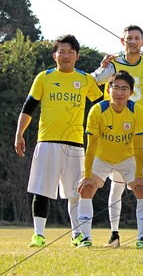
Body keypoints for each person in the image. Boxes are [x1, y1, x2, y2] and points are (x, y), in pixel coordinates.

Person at [14, 34, 102, 247]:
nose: (66, 55)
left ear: (77, 56)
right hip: (47, 142)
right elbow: (29, 107)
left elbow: (101, 106)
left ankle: (77, 235)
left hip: (75, 145)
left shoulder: (85, 79)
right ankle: (38, 235)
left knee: (76, 193)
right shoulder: (43, 77)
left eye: (70, 52)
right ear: (54, 55)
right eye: (61, 51)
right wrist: (19, 134)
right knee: (42, 190)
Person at [92, 25, 143, 247]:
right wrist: (102, 64)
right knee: (116, 183)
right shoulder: (113, 64)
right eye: (129, 38)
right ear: (121, 41)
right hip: (119, 131)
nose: (132, 42)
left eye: (136, 38)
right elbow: (94, 80)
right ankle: (114, 234)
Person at [76, 70, 143, 248]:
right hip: (102, 158)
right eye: (115, 87)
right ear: (108, 90)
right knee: (86, 188)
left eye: (124, 89)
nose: (120, 92)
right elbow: (91, 146)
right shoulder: (97, 110)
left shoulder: (137, 111)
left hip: (127, 158)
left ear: (131, 93)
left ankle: (141, 239)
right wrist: (87, 175)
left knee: (142, 189)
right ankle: (86, 238)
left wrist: (139, 174)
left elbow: (139, 146)